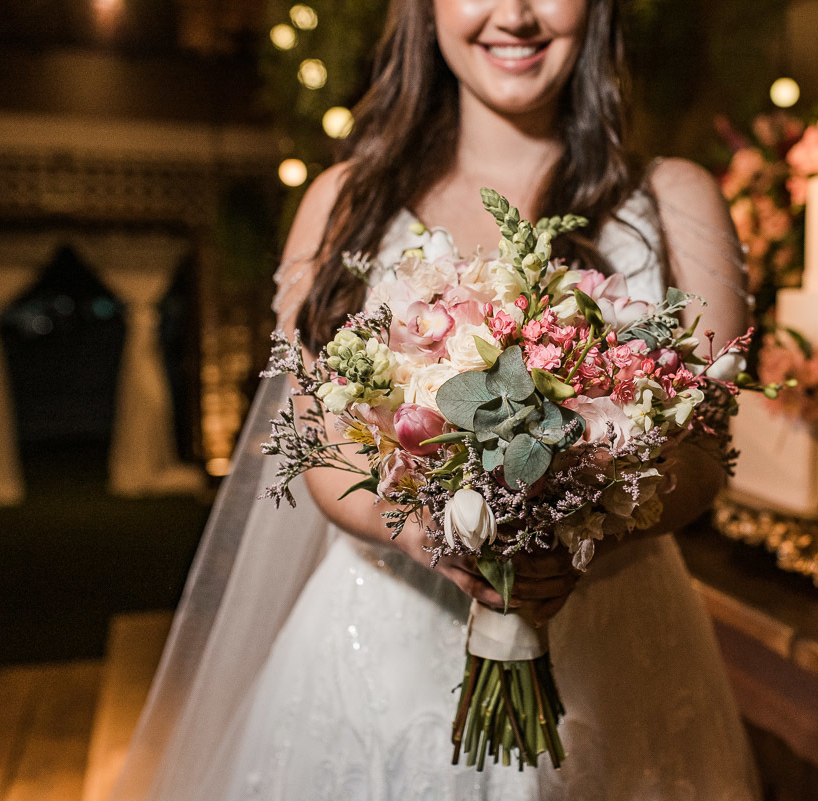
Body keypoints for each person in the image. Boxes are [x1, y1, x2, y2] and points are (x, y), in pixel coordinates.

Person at [110, 0, 760, 798]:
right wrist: (430, 533)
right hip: (380, 644)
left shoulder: (673, 200)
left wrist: (585, 534)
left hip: (618, 639)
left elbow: (703, 450)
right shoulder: (345, 202)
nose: (514, 15)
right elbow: (322, 444)